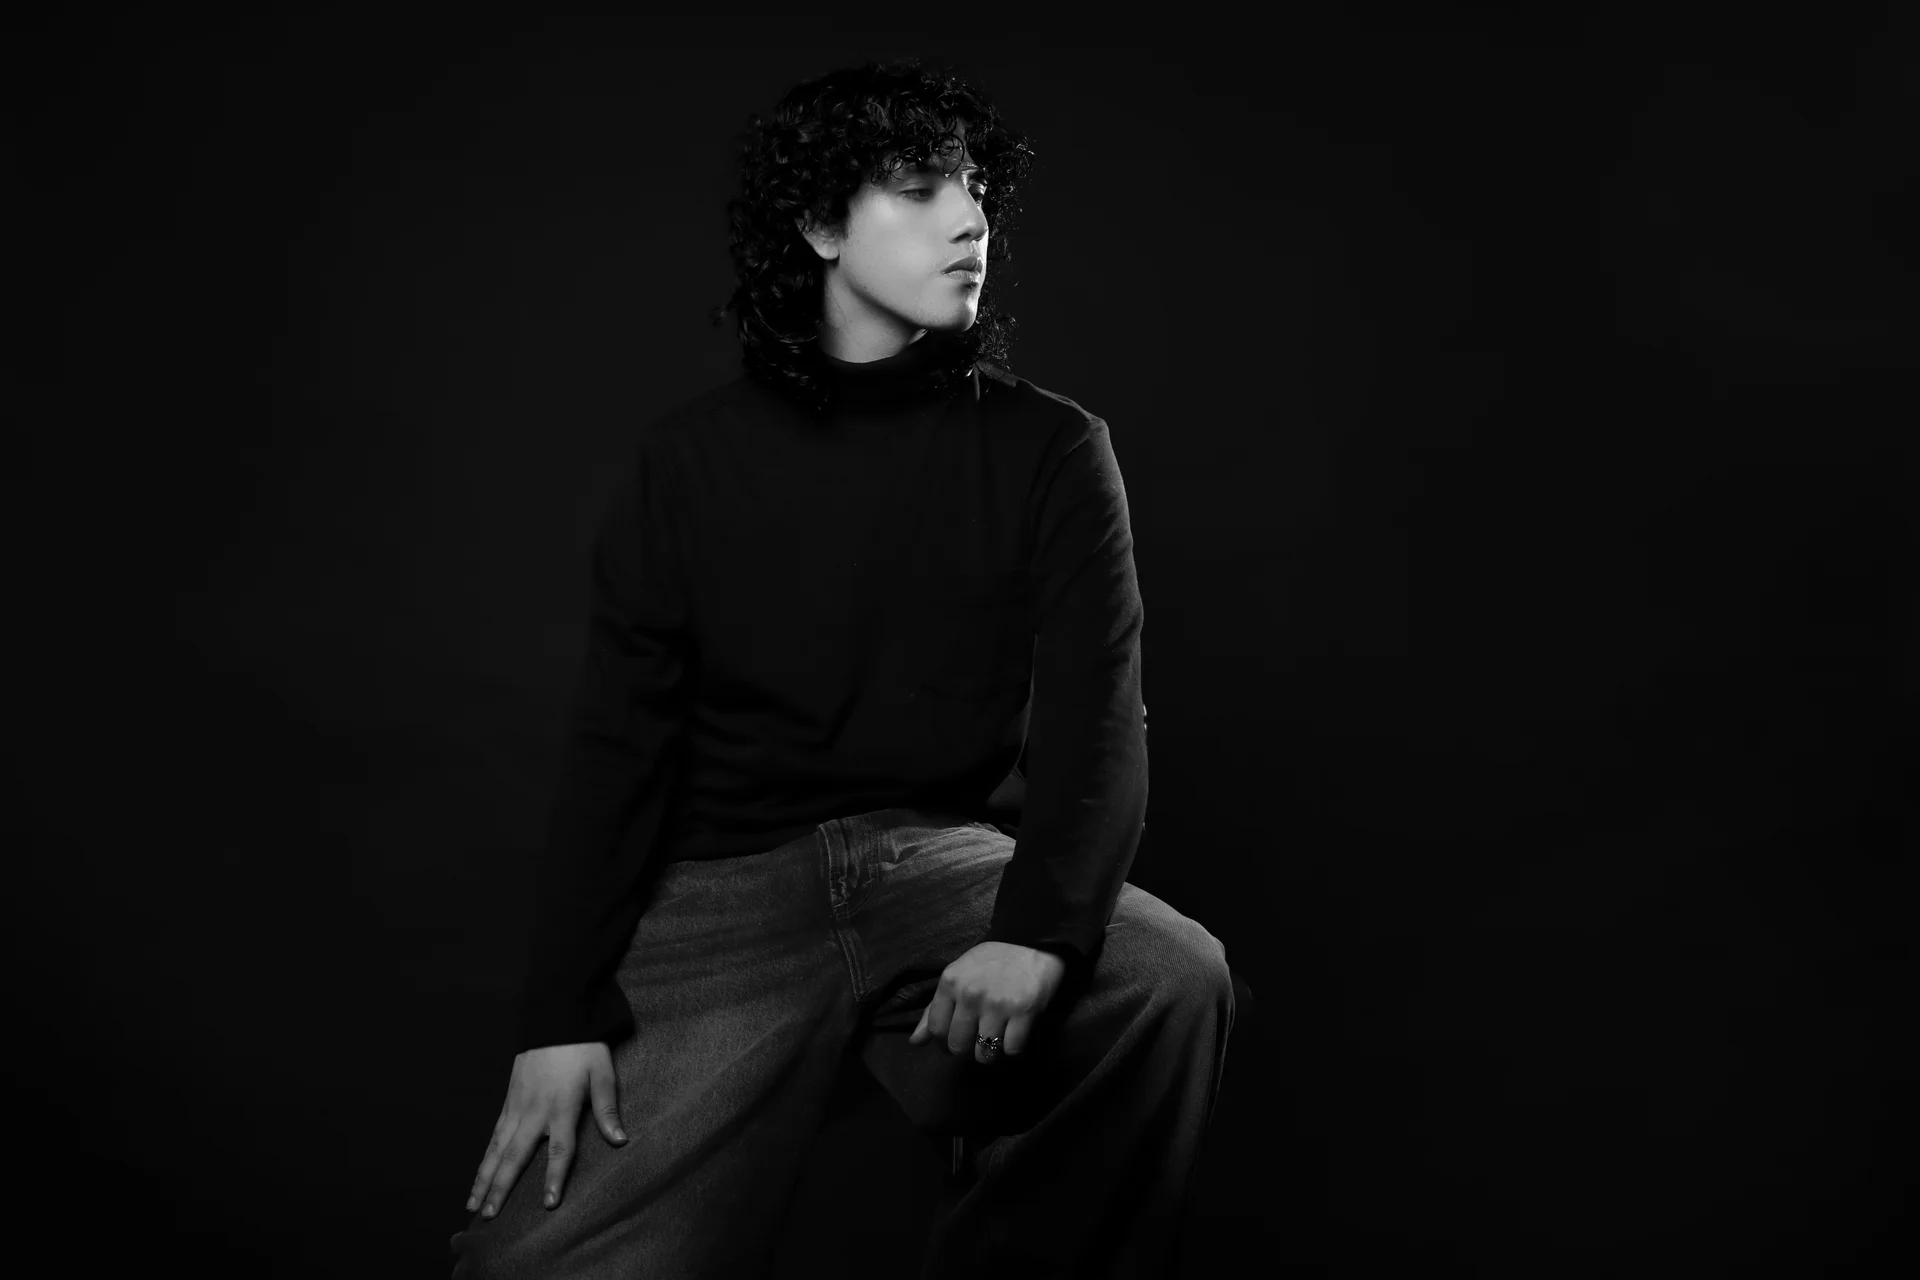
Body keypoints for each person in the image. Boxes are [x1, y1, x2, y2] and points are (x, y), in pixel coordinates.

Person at [450, 56, 1234, 1279]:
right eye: (920, 189)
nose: (969, 220)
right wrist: (557, 1017)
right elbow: (619, 748)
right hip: (721, 893)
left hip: (935, 861)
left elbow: (1098, 720)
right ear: (821, 224)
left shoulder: (1051, 446)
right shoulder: (690, 461)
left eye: (977, 191)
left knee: (1172, 975)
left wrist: (1039, 931)